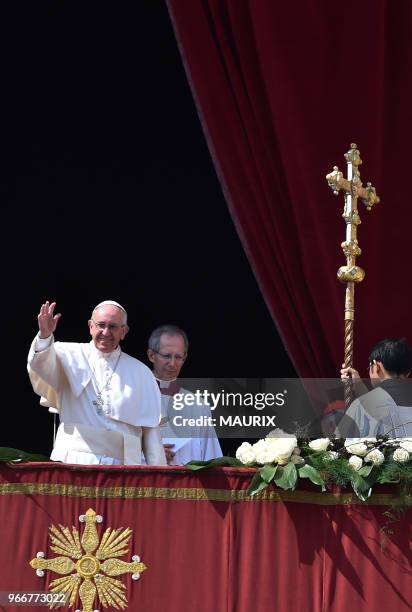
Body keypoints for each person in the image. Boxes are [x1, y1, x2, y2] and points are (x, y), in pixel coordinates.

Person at [27, 300, 166, 465]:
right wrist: (44, 336)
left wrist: (158, 474)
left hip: (124, 467)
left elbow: (151, 433)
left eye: (113, 326)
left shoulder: (141, 372)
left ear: (124, 331)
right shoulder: (65, 354)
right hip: (74, 461)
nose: (105, 332)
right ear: (90, 326)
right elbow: (40, 365)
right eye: (101, 325)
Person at [147, 324, 222, 464]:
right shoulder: (132, 398)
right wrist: (147, 453)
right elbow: (114, 452)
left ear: (184, 358)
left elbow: (212, 458)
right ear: (151, 355)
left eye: (178, 357)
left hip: (188, 484)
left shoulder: (198, 405)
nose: (172, 364)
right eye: (167, 356)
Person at [338, 338, 412, 437]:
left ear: (376, 366)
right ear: (408, 372)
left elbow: (339, 444)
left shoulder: (361, 406)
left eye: (369, 367)